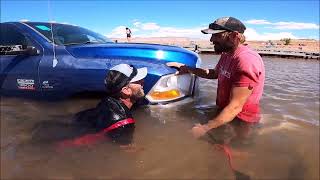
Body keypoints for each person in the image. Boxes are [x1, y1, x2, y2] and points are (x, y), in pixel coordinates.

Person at [167, 16, 265, 141]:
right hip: (226, 113)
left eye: (216, 35)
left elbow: (236, 106)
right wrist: (187, 68)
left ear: (234, 36)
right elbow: (214, 73)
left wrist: (205, 128)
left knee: (238, 150)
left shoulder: (246, 60)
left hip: (242, 120)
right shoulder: (227, 54)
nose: (212, 39)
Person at [57, 63, 147, 149]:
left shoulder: (108, 101)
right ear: (126, 90)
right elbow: (124, 150)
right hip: (65, 145)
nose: (143, 82)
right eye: (138, 81)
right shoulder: (124, 124)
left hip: (72, 124)